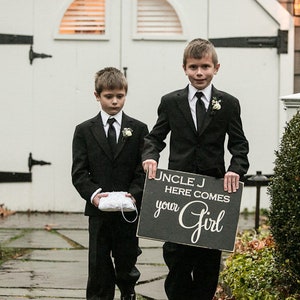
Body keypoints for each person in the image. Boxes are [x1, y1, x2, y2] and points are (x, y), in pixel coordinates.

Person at [142, 38, 249, 300]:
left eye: (204, 67)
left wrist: (235, 169)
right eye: (193, 67)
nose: (199, 73)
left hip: (213, 192)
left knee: (208, 263)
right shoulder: (170, 102)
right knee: (177, 258)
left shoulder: (228, 103)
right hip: (177, 190)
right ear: (184, 68)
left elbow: (239, 145)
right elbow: (154, 138)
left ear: (216, 67)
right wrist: (150, 157)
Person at [72, 67, 149, 300]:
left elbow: (142, 170)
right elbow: (79, 172)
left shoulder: (138, 129)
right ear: (97, 96)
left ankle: (128, 292)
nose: (115, 102)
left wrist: (134, 194)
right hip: (99, 212)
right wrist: (94, 195)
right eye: (108, 96)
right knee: (98, 263)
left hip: (128, 210)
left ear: (125, 94)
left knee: (127, 259)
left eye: (120, 96)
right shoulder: (84, 130)